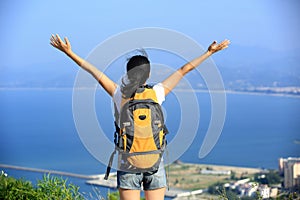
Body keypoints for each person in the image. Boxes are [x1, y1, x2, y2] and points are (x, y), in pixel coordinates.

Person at [50, 34, 230, 200]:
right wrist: (209, 52)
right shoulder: (157, 93)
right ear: (149, 74)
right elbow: (185, 69)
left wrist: (69, 53)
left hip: (128, 163)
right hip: (154, 162)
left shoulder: (118, 94)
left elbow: (93, 71)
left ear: (128, 74)